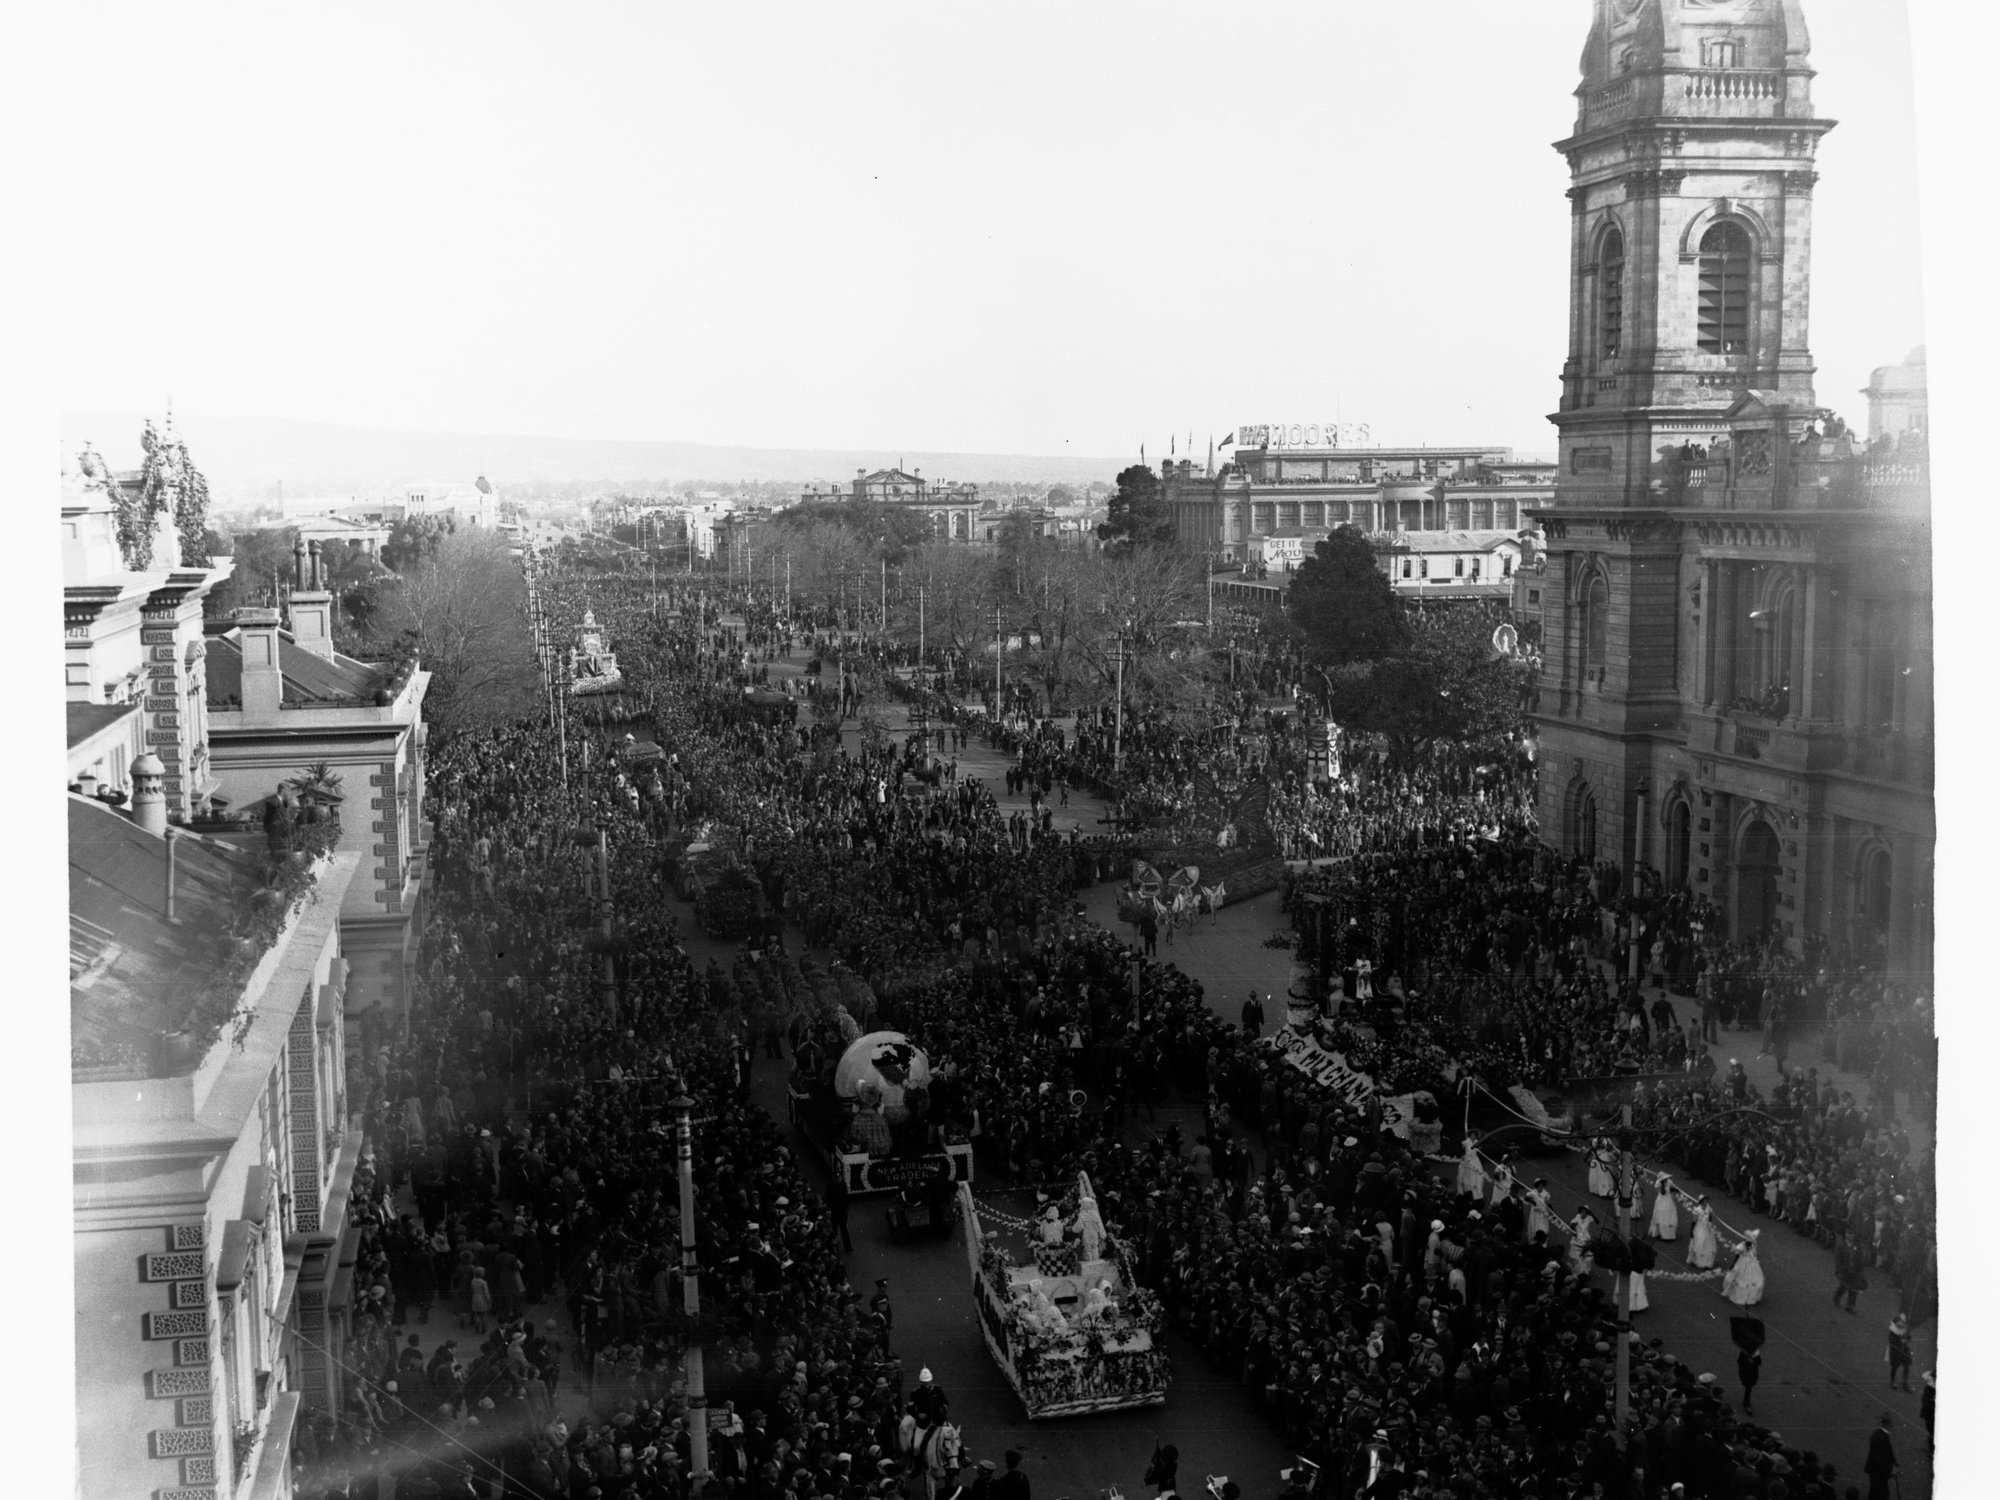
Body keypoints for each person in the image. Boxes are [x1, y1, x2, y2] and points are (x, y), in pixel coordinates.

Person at [1722, 1230, 1765, 1307]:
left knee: (1755, 1281)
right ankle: (1739, 1296)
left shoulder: (1753, 1245)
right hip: (1742, 1264)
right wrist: (1733, 1264)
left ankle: (1750, 1297)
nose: (1749, 1243)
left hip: (1752, 1265)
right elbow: (1737, 1255)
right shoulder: (1741, 1246)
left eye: (1750, 1242)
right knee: (1740, 1280)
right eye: (1748, 1242)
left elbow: (1754, 1254)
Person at [1864, 1413, 1898, 1500]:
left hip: (1875, 1471)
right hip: (1878, 1473)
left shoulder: (1879, 1434)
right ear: (1889, 1424)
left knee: (1875, 1493)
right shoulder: (1882, 1437)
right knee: (1881, 1494)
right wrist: (1891, 1469)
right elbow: (1881, 1459)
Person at [1834, 1230, 1867, 1312]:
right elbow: (1838, 1260)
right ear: (1845, 1234)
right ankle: (1836, 1297)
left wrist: (1861, 1273)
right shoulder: (1841, 1246)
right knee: (1844, 1287)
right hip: (1845, 1271)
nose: (1850, 1236)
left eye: (1852, 1234)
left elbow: (1861, 1261)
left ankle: (1850, 1306)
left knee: (1853, 1289)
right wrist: (1839, 1271)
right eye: (1849, 1234)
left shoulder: (1858, 1246)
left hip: (1855, 1272)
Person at [1688, 1197, 1720, 1270]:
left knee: (1708, 1243)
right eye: (1704, 1201)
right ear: (1701, 1202)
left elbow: (1710, 1218)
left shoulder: (1708, 1208)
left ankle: (1708, 1263)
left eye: (1706, 1201)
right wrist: (1691, 1230)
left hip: (1707, 1228)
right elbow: (1694, 1221)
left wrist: (1709, 1221)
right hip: (1699, 1228)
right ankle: (1700, 1262)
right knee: (1700, 1242)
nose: (1706, 1202)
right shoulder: (1697, 1210)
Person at [1885, 1314, 1912, 1391]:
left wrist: (1907, 1338)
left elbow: (1909, 1337)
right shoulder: (1893, 1331)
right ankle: (1892, 1382)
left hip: (1904, 1349)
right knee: (1895, 1367)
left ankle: (1904, 1382)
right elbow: (1892, 1342)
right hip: (1895, 1351)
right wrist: (1901, 1341)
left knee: (1907, 1365)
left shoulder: (1904, 1329)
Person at [1647, 1174, 1679, 1240]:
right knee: (1662, 1215)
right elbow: (1663, 1192)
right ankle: (1661, 1233)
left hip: (1669, 1200)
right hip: (1662, 1201)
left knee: (1669, 1215)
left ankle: (1669, 1235)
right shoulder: (1660, 1186)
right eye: (1665, 1179)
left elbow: (1673, 1189)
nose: (1667, 1180)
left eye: (1667, 1179)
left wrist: (1676, 1191)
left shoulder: (1669, 1183)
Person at [1736, 1345, 1762, 1414]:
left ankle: (1746, 1402)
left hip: (1750, 1372)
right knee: (1748, 1387)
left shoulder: (1750, 1353)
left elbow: (1759, 1362)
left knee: (1749, 1387)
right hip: (1747, 1373)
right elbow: (1740, 1361)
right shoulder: (1746, 1353)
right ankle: (1746, 1402)